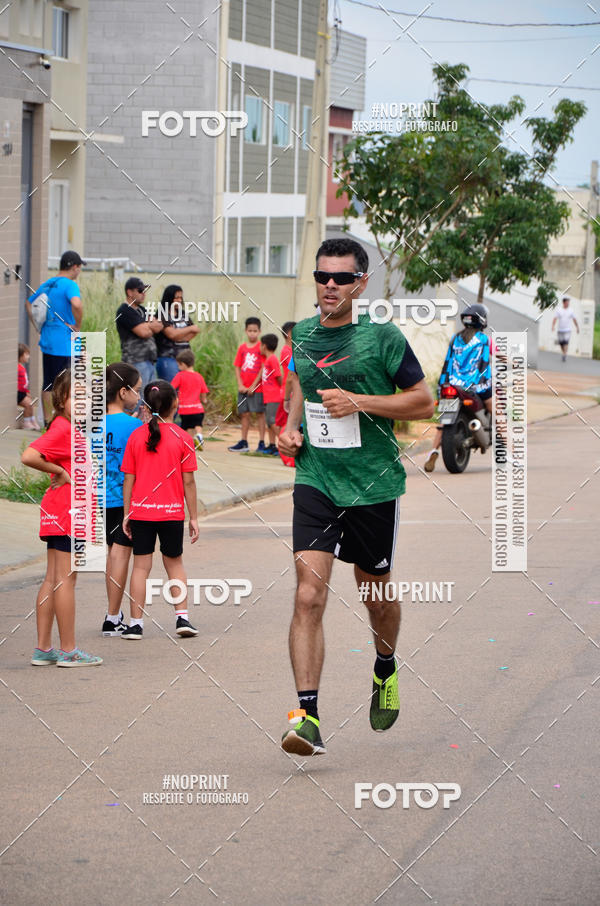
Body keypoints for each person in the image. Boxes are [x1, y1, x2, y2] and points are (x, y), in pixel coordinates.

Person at [278, 237, 434, 756]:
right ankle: (307, 717)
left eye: (341, 278)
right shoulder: (302, 333)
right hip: (316, 478)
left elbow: (422, 401)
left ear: (360, 283)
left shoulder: (382, 338)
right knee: (308, 593)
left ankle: (385, 666)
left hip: (372, 485)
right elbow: (301, 383)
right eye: (323, 275)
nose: (329, 285)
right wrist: (290, 428)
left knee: (373, 588)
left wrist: (360, 401)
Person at [21, 369, 103, 667]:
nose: (83, 402)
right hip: (68, 512)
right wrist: (59, 472)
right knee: (66, 580)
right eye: (76, 396)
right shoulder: (63, 428)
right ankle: (69, 650)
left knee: (54, 579)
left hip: (61, 511)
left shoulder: (69, 427)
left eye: (88, 397)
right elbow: (29, 456)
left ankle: (44, 649)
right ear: (61, 398)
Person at [120, 380, 199, 639]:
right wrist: (194, 517)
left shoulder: (135, 436)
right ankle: (183, 619)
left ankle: (135, 624)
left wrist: (127, 514)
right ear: (174, 404)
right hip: (172, 513)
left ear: (146, 405)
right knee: (174, 565)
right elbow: (189, 481)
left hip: (142, 513)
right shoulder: (184, 438)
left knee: (141, 567)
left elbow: (128, 479)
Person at [424, 303, 492, 473]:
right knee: (497, 410)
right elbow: (496, 355)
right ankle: (509, 454)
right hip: (475, 385)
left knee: (444, 421)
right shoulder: (484, 339)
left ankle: (433, 451)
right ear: (482, 321)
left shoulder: (456, 338)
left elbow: (449, 360)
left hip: (451, 385)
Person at [102, 362, 143, 637]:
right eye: (136, 390)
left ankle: (112, 615)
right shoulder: (134, 426)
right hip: (122, 500)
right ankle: (113, 616)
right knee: (120, 555)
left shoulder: (89, 422)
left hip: (93, 498)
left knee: (111, 553)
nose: (139, 396)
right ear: (123, 392)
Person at [26, 250, 85, 424]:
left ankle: (47, 421)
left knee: (48, 383)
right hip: (65, 343)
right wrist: (77, 326)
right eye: (79, 268)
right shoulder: (69, 285)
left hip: (48, 341)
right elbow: (76, 303)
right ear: (74, 267)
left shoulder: (47, 284)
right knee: (68, 383)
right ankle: (65, 420)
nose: (79, 271)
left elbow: (28, 303)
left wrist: (37, 325)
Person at [115, 277, 163, 389]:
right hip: (135, 363)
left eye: (145, 290)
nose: (144, 294)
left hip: (150, 361)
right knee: (136, 399)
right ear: (129, 292)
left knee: (150, 398)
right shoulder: (124, 310)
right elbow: (143, 332)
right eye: (140, 290)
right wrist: (150, 325)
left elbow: (159, 325)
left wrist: (148, 326)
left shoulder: (142, 310)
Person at [228, 317, 266, 454]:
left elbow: (263, 368)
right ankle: (243, 441)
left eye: (255, 331)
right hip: (243, 388)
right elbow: (237, 366)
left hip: (258, 388)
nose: (252, 333)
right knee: (244, 414)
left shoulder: (261, 347)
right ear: (246, 331)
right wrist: (240, 384)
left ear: (259, 331)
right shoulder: (242, 348)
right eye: (250, 331)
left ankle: (262, 442)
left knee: (260, 414)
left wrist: (253, 386)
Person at [156, 284, 200, 381]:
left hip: (185, 359)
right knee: (172, 390)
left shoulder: (183, 313)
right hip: (168, 359)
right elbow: (172, 334)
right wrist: (189, 329)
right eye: (176, 298)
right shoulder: (161, 314)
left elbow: (196, 330)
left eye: (181, 297)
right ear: (169, 298)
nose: (180, 300)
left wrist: (179, 335)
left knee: (186, 389)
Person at [171, 349, 209, 450]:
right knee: (197, 424)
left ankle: (189, 442)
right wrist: (204, 400)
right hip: (198, 408)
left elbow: (172, 387)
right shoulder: (199, 376)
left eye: (179, 365)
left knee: (187, 427)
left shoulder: (180, 375)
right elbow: (204, 391)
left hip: (185, 409)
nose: (178, 368)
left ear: (183, 364)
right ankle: (199, 436)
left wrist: (174, 398)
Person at [260, 333, 282, 456]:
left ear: (264, 346)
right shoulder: (268, 359)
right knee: (269, 422)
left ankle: (284, 443)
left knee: (272, 420)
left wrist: (279, 389)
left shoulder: (272, 359)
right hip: (268, 396)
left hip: (274, 396)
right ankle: (272, 445)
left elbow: (278, 376)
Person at [17, 344, 40, 430]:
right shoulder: (17, 368)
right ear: (20, 355)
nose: (28, 357)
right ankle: (26, 423)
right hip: (18, 393)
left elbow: (24, 382)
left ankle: (32, 420)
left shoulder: (21, 367)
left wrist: (27, 392)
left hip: (23, 392)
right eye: (26, 354)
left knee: (31, 403)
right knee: (28, 404)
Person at [552, 296, 579, 363]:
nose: (568, 303)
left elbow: (574, 319)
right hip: (560, 329)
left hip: (567, 329)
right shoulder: (559, 310)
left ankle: (564, 354)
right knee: (561, 343)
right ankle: (564, 352)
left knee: (566, 342)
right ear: (563, 302)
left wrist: (577, 327)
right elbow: (555, 318)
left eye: (568, 302)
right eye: (567, 302)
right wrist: (553, 326)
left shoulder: (571, 310)